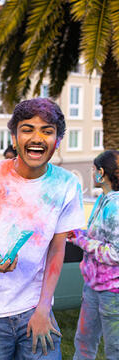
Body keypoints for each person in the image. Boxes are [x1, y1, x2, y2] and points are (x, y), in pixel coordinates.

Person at [0, 98, 85, 359]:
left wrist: (43, 308)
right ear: (14, 138)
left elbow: (57, 249)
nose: (37, 137)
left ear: (57, 141)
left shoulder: (67, 184)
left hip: (33, 306)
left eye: (47, 131)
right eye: (27, 129)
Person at [68, 150, 119, 360]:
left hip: (112, 293)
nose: (91, 174)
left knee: (114, 349)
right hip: (92, 287)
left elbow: (115, 253)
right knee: (83, 341)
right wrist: (79, 234)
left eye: (93, 170)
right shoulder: (102, 200)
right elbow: (97, 237)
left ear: (101, 173)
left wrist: (81, 241)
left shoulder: (116, 207)